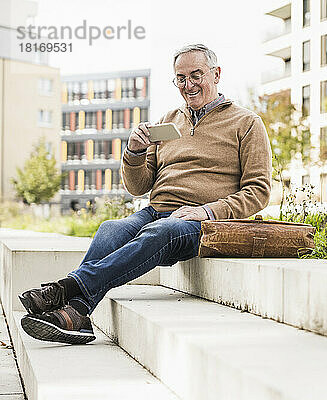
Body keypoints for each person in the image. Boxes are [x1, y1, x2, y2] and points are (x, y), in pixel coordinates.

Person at [18, 44, 272, 345]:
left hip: (199, 222)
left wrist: (208, 211)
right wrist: (134, 152)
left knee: (161, 230)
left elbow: (258, 191)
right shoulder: (168, 122)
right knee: (110, 228)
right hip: (156, 210)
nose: (188, 85)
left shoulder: (246, 123)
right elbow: (138, 186)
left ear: (216, 74)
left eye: (196, 75)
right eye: (180, 78)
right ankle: (78, 314)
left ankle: (67, 288)